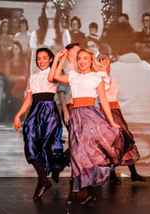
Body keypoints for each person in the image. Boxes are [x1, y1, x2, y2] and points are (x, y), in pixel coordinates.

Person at [49, 49, 122, 204]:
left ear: (91, 61)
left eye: (85, 58)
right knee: (76, 153)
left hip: (90, 117)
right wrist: (58, 59)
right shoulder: (73, 76)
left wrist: (111, 121)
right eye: (79, 58)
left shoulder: (97, 77)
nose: (82, 61)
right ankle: (80, 190)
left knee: (86, 152)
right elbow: (54, 76)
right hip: (76, 116)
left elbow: (103, 101)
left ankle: (83, 189)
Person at [13, 48, 65, 201]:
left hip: (48, 111)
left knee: (46, 147)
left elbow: (51, 78)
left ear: (50, 59)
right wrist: (18, 115)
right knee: (29, 142)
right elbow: (29, 99)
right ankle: (43, 179)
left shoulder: (54, 73)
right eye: (38, 58)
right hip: (35, 111)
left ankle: (45, 178)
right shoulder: (33, 77)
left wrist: (58, 59)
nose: (40, 61)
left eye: (44, 58)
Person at [97, 55, 145, 184]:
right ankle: (112, 175)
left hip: (116, 111)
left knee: (125, 139)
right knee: (111, 143)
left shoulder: (112, 78)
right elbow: (103, 93)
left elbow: (117, 95)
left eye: (106, 62)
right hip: (106, 112)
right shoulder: (99, 79)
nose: (104, 64)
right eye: (101, 61)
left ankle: (133, 173)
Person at [29, 0, 70, 73]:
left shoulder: (64, 33)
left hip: (58, 76)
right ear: (44, 11)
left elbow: (67, 59)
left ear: (57, 11)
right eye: (47, 8)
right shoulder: (35, 34)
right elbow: (33, 60)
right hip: (41, 76)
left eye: (53, 8)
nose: (50, 10)